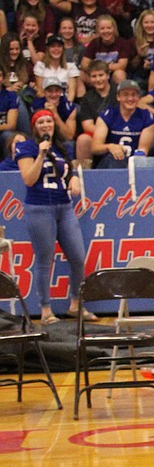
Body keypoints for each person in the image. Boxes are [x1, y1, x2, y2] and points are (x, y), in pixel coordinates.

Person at [17, 108, 91, 324]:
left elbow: (68, 171)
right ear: (34, 126)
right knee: (44, 260)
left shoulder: (61, 147)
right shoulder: (26, 146)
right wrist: (40, 154)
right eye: (41, 122)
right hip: (39, 207)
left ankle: (76, 304)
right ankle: (46, 310)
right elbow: (29, 179)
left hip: (64, 207)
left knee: (78, 258)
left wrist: (74, 178)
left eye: (49, 121)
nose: (46, 125)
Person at [91, 78, 154, 167]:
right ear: (118, 97)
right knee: (115, 159)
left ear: (138, 97)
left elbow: (143, 151)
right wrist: (110, 147)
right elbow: (95, 147)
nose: (130, 98)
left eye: (134, 95)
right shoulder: (107, 115)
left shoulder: (146, 117)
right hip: (109, 163)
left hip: (134, 163)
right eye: (125, 95)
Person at [75, 60, 117, 167]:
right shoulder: (87, 98)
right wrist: (103, 134)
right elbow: (87, 126)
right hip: (97, 135)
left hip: (120, 130)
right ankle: (84, 178)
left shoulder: (119, 92)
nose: (98, 79)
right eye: (94, 76)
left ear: (108, 75)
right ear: (89, 78)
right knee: (83, 139)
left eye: (101, 75)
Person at [34, 35, 81, 101]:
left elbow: (71, 92)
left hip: (64, 103)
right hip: (46, 103)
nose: (56, 49)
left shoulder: (71, 67)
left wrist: (66, 107)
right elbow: (40, 91)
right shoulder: (40, 66)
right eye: (53, 46)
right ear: (48, 49)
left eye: (59, 46)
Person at [31, 77, 78, 141]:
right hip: (41, 137)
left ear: (61, 91)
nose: (53, 94)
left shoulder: (69, 107)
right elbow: (34, 131)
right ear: (44, 92)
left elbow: (69, 136)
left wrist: (55, 114)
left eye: (57, 90)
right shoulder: (36, 105)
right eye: (50, 91)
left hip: (61, 139)